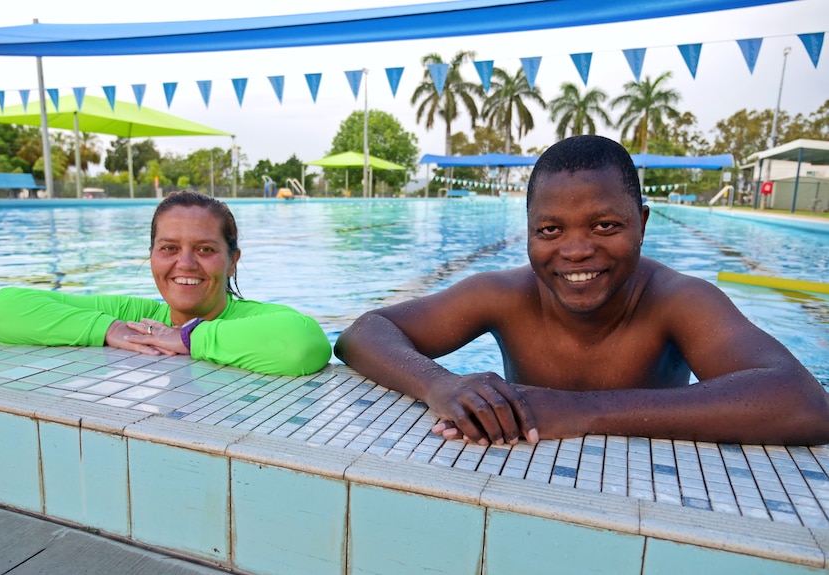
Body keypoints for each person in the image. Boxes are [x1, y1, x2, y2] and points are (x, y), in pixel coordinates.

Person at [335, 135, 829, 446]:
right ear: (527, 232)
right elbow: (364, 332)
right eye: (550, 230)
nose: (575, 250)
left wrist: (579, 411)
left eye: (605, 225)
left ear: (643, 224)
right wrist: (441, 385)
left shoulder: (679, 301)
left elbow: (803, 402)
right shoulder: (504, 295)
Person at [0, 190, 331, 376]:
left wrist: (186, 338)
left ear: (232, 262)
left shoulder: (251, 320)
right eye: (169, 248)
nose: (185, 263)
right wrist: (109, 329)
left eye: (205, 249)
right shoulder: (137, 317)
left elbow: (303, 344)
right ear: (152, 256)